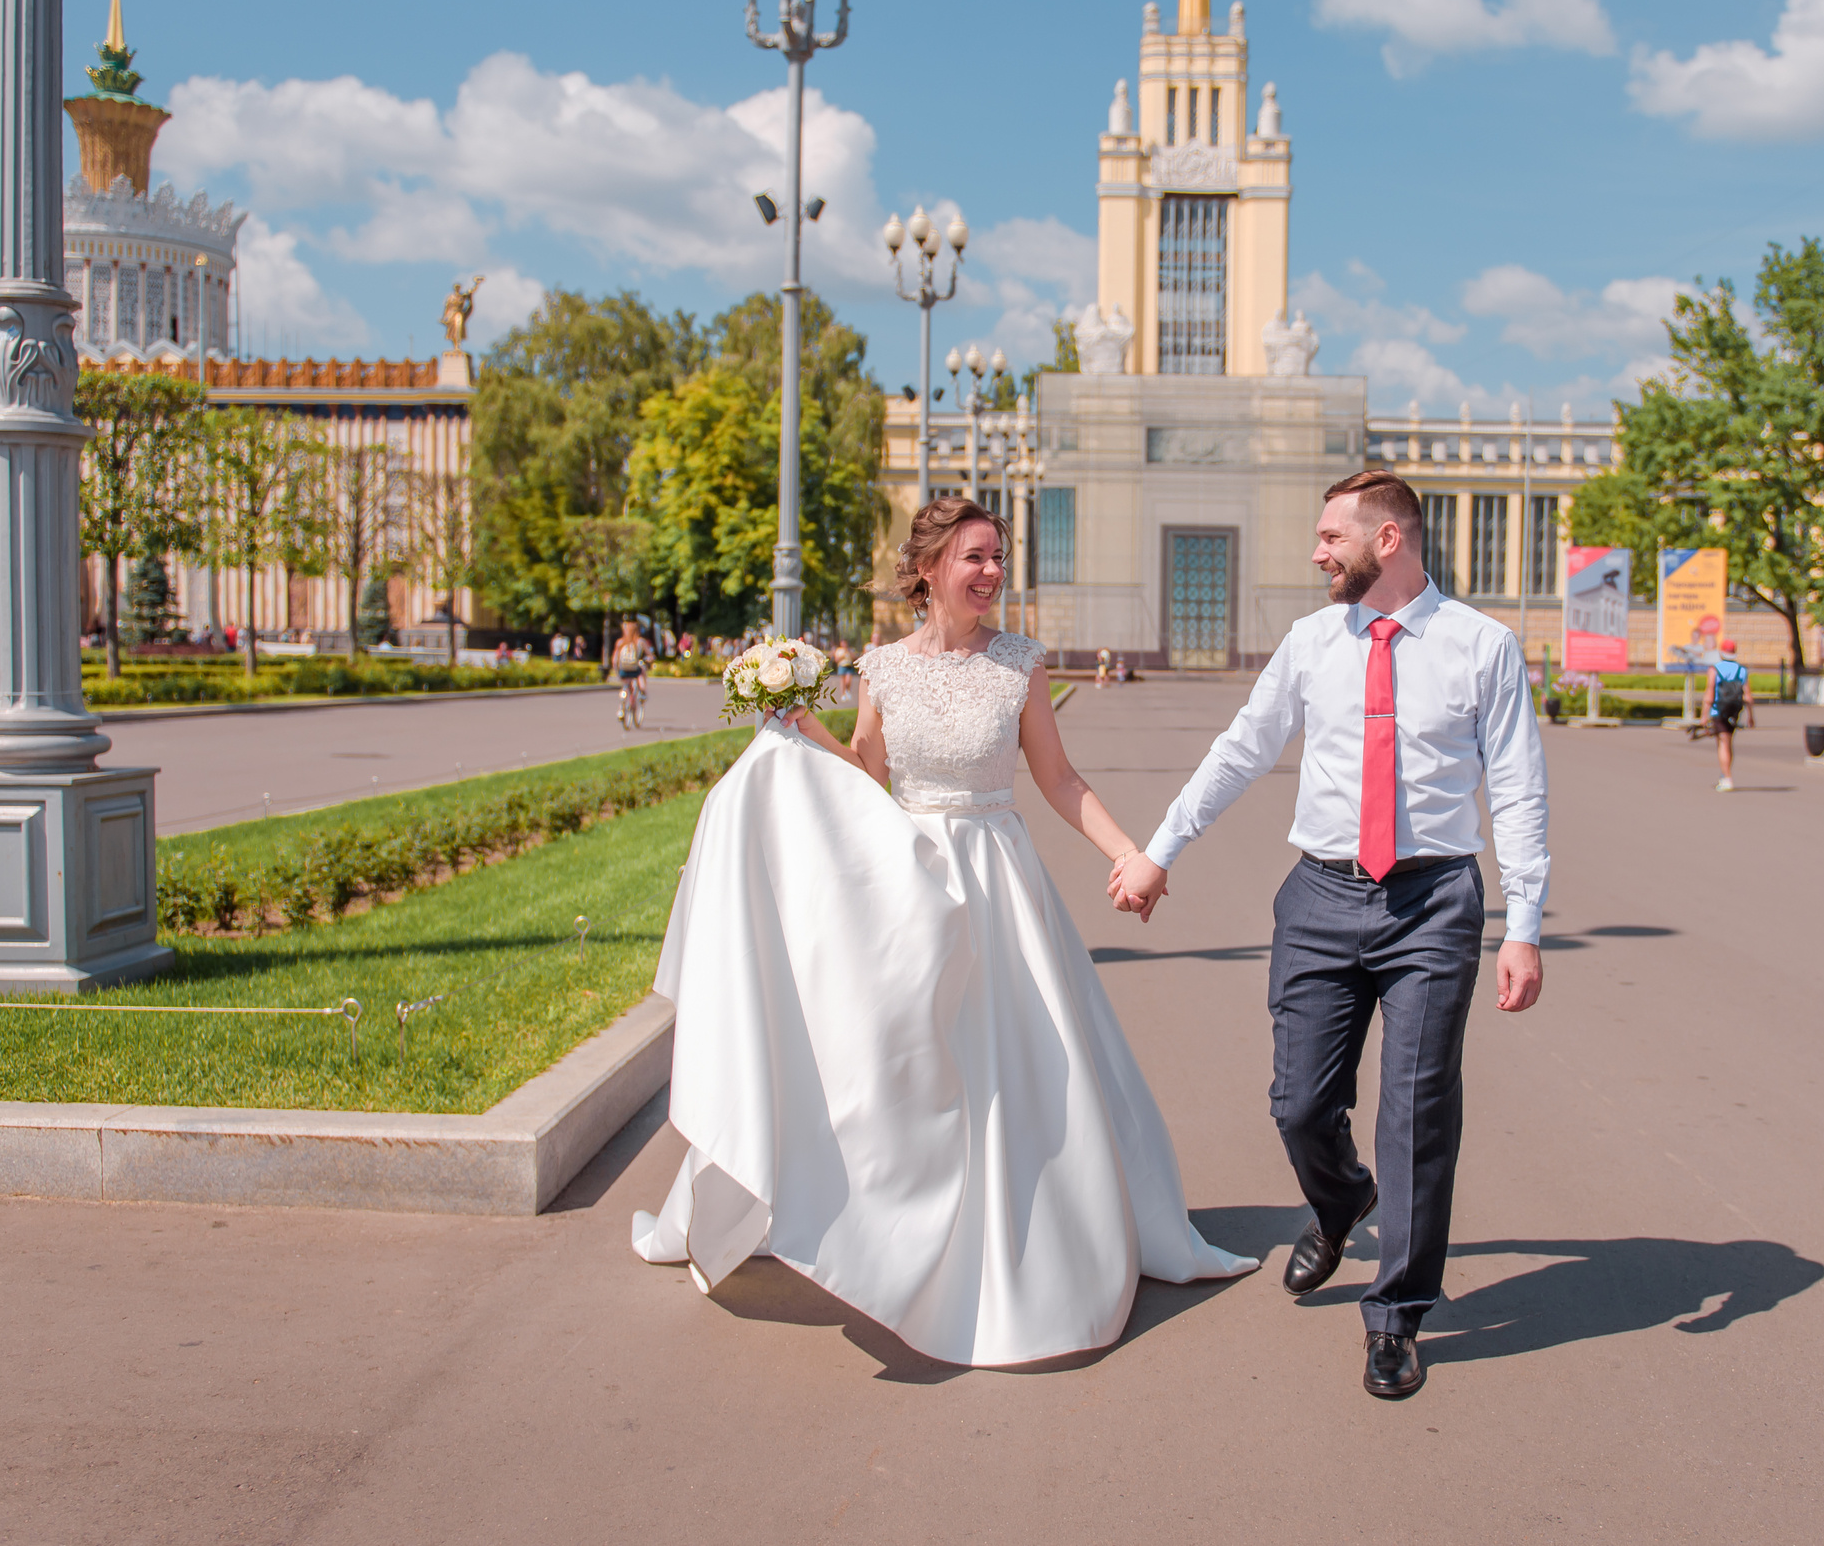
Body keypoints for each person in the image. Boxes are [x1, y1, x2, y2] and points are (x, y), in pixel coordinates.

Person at [632, 496, 1253, 1365]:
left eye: (999, 556)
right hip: (906, 883)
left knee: (1014, 1063)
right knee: (898, 1062)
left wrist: (1129, 853)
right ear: (928, 569)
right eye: (976, 556)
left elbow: (1060, 778)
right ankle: (881, 1222)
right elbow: (864, 775)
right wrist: (796, 723)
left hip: (999, 877)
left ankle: (1022, 1249)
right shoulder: (881, 669)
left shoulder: (1021, 665)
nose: (994, 571)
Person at [1110, 470, 1549, 1401]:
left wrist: (1525, 925)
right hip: (1318, 897)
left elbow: (1515, 789)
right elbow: (1243, 747)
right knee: (1299, 1105)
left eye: (1329, 536)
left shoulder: (1482, 647)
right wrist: (1160, 851)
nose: (1316, 552)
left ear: (1387, 539)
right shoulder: (1313, 641)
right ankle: (1342, 1197)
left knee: (1416, 1112)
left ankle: (1396, 1315)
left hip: (1433, 905)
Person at [1707, 640, 1751, 792]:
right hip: (1734, 711)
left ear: (1721, 652)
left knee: (1722, 743)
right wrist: (1750, 716)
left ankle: (1727, 778)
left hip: (1718, 710)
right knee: (1728, 742)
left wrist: (1703, 715)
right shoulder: (1742, 670)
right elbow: (1748, 696)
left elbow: (1709, 693)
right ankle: (1724, 774)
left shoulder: (1715, 669)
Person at [610, 618, 653, 729]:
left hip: (623, 670)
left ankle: (621, 708)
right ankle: (642, 692)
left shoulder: (620, 642)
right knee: (641, 670)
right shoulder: (640, 641)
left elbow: (614, 659)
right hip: (634, 670)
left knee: (625, 686)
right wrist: (649, 659)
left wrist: (616, 671)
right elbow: (650, 656)